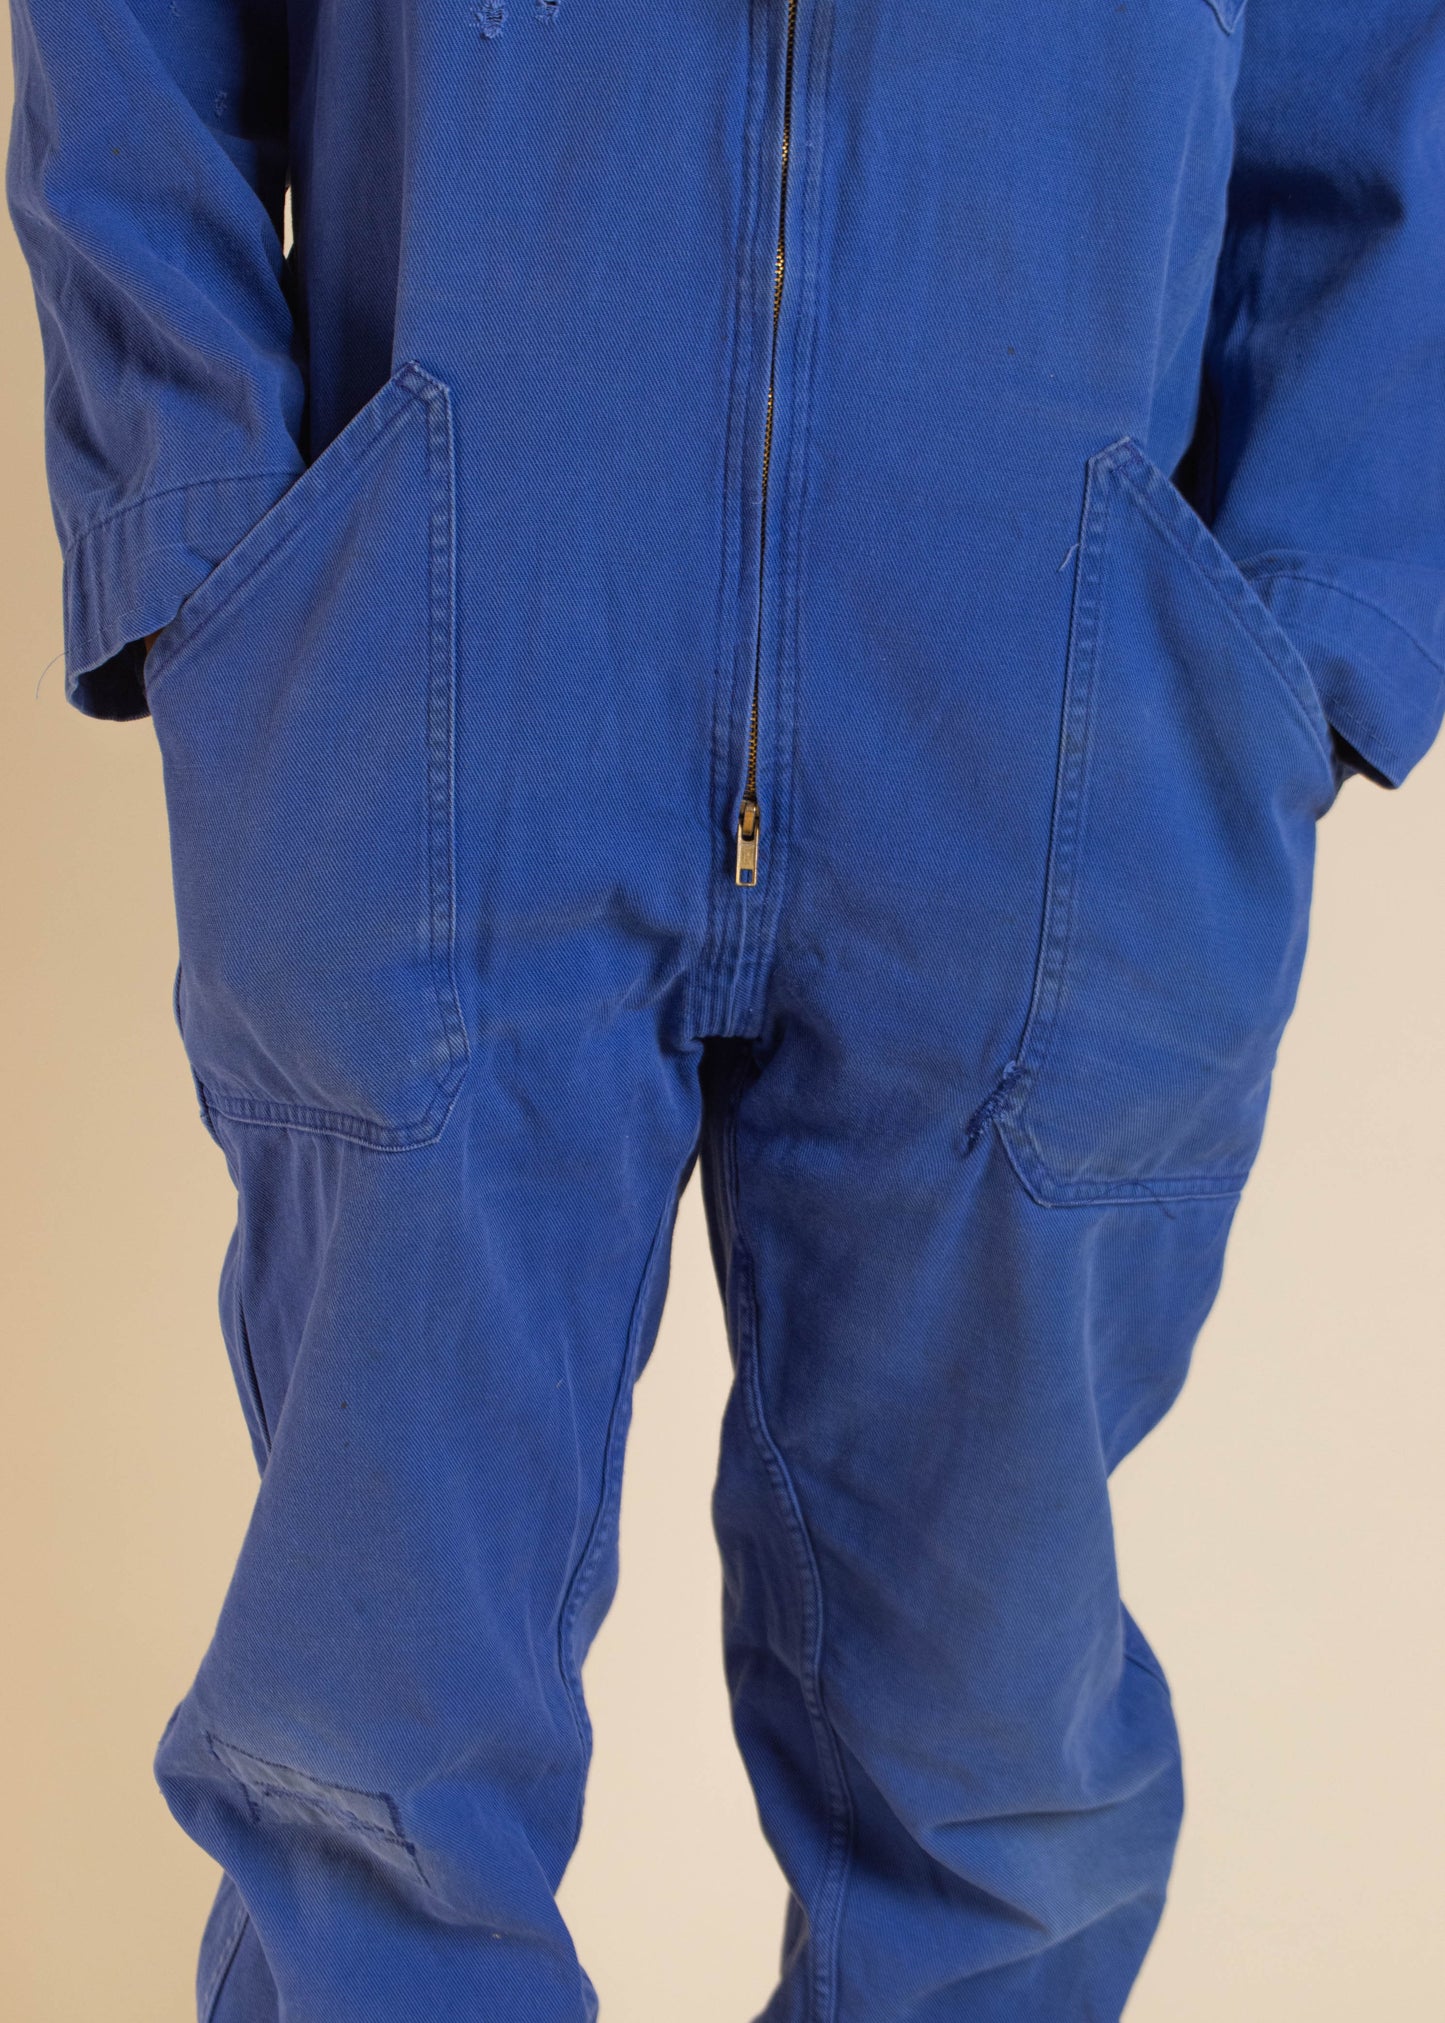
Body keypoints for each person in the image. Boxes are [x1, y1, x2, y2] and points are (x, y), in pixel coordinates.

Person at [7, 3, 1442, 2018]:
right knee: (376, 1750)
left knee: (991, 1786)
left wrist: (1306, 631)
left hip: (1059, 711)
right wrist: (201, 533)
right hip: (443, 662)